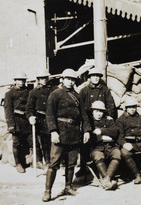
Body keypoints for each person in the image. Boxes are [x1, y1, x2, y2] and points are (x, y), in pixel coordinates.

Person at [42, 68, 92, 202]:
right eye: (68, 79)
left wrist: (87, 130)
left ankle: (68, 187)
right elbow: (50, 115)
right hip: (60, 132)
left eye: (73, 80)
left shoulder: (77, 96)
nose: (70, 82)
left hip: (75, 133)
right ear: (62, 80)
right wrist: (53, 131)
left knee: (71, 163)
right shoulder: (55, 94)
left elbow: (84, 115)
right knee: (54, 164)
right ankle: (48, 191)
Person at [77, 68, 117, 178]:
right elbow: (80, 106)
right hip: (88, 119)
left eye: (97, 76)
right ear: (89, 78)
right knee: (85, 143)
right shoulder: (84, 90)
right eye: (93, 76)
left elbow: (110, 104)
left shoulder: (105, 90)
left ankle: (104, 170)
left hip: (101, 117)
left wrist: (109, 116)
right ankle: (84, 168)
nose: (95, 78)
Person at [26, 70, 57, 169]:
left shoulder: (54, 90)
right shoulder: (34, 92)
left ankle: (51, 162)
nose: (43, 80)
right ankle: (42, 162)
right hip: (40, 119)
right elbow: (29, 108)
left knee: (50, 141)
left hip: (51, 118)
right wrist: (31, 116)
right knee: (41, 142)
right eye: (41, 78)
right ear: (38, 80)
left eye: (45, 78)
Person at [4, 71, 31, 173]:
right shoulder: (9, 94)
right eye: (19, 80)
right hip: (16, 121)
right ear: (15, 81)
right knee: (16, 143)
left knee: (31, 142)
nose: (21, 82)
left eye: (23, 80)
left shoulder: (29, 91)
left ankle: (33, 161)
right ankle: (18, 163)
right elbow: (8, 111)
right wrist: (11, 125)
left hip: (27, 120)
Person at [89, 101, 120, 190]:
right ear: (92, 112)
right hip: (96, 148)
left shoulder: (109, 120)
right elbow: (91, 138)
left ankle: (106, 180)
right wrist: (103, 137)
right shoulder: (89, 123)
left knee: (117, 153)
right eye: (96, 111)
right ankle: (108, 181)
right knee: (98, 156)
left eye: (101, 111)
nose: (99, 114)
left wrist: (101, 131)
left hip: (110, 147)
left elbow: (115, 132)